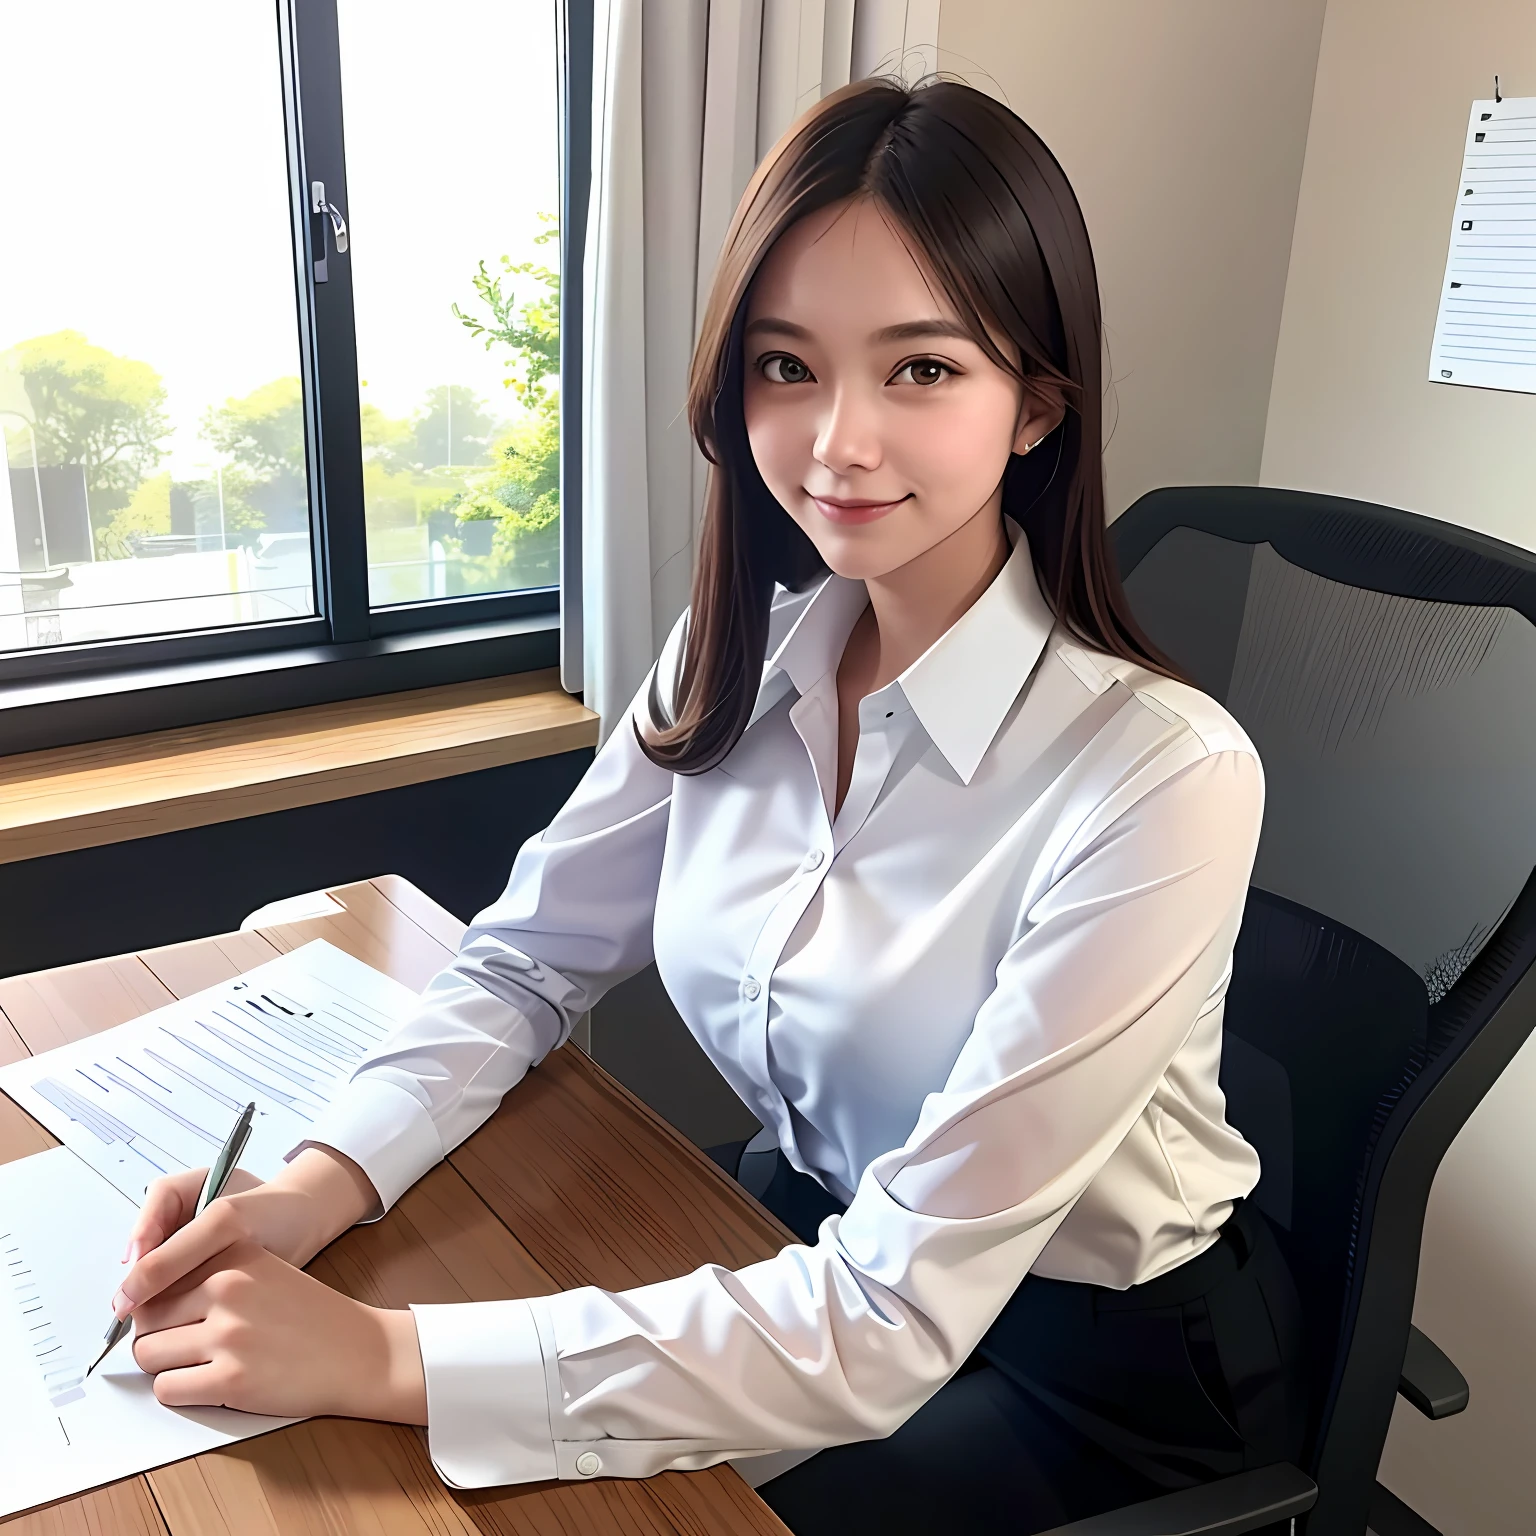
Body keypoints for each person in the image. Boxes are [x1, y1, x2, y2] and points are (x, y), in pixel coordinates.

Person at [107, 76, 1305, 1533]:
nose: (833, 444)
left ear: (1038, 406)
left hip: (1090, 1365)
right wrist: (313, 1185)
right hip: (806, 1233)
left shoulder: (1161, 775)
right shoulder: (728, 669)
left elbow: (891, 1324)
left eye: (921, 370)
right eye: (786, 368)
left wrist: (371, 1353)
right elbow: (526, 961)